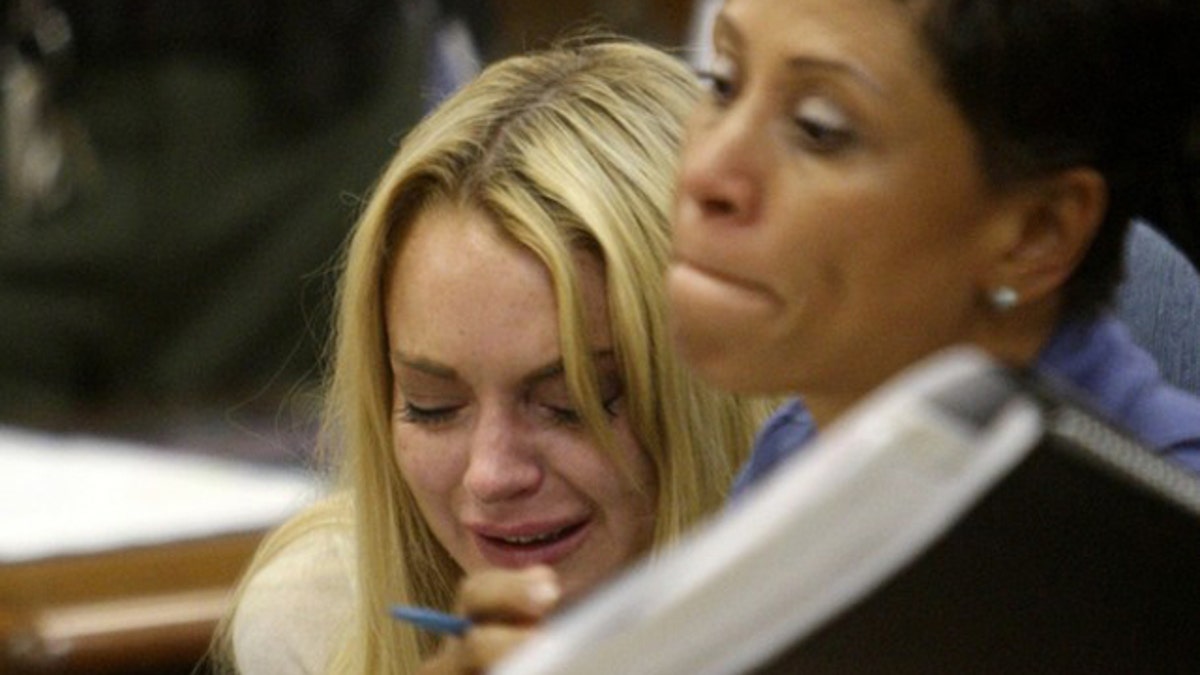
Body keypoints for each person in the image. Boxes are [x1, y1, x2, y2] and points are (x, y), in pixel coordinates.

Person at [214, 37, 772, 675]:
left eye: (571, 405)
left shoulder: (867, 609)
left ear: (711, 390)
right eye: (432, 407)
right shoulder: (321, 619)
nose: (490, 474)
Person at [665, 0, 1200, 498]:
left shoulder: (1160, 539)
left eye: (819, 128)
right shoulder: (799, 451)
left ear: (1036, 233)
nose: (706, 172)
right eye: (722, 83)